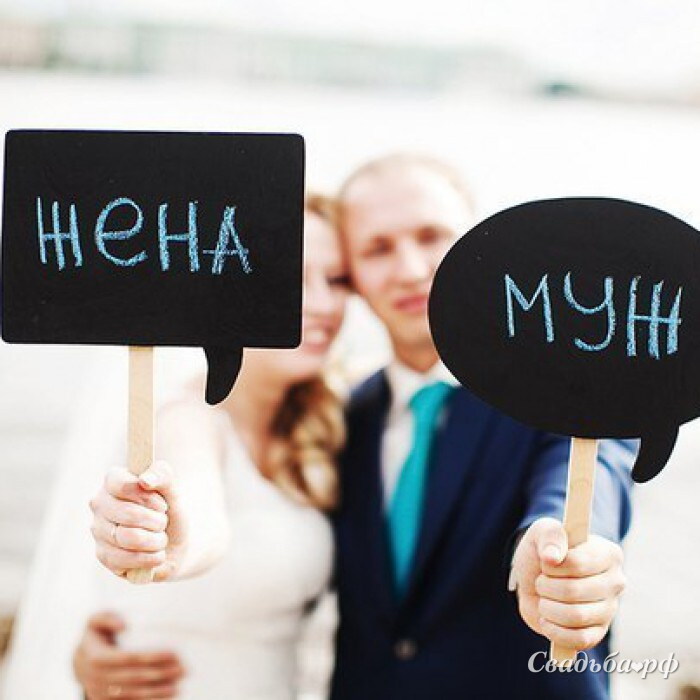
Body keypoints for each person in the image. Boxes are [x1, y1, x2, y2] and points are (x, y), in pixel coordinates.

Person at [330, 153, 634, 699]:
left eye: (432, 236)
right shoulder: (344, 414)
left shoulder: (567, 391)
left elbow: (593, 476)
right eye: (377, 248)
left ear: (476, 242)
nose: (409, 269)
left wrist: (558, 548)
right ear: (350, 273)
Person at [76, 194, 349, 699]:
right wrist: (171, 544)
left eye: (336, 280)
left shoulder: (327, 423)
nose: (322, 304)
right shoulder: (185, 419)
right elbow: (200, 513)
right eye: (293, 278)